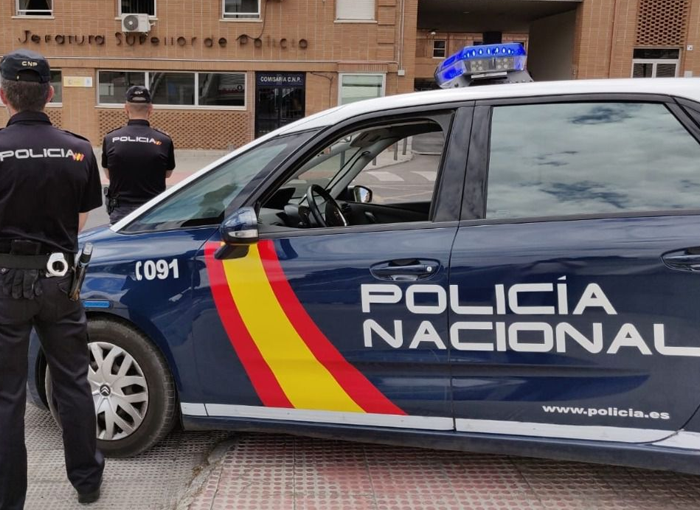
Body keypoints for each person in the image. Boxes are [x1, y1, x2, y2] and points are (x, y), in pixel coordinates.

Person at [0, 49, 105, 508]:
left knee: (6, 396)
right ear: (49, 94)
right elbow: (80, 222)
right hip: (61, 282)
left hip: (5, 282)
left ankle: (9, 499)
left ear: (3, 95)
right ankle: (87, 482)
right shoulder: (78, 149)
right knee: (73, 382)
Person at [101, 85, 175, 224]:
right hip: (153, 208)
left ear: (126, 108)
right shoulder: (164, 140)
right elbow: (168, 174)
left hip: (121, 209)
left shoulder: (110, 138)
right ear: (150, 109)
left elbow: (109, 174)